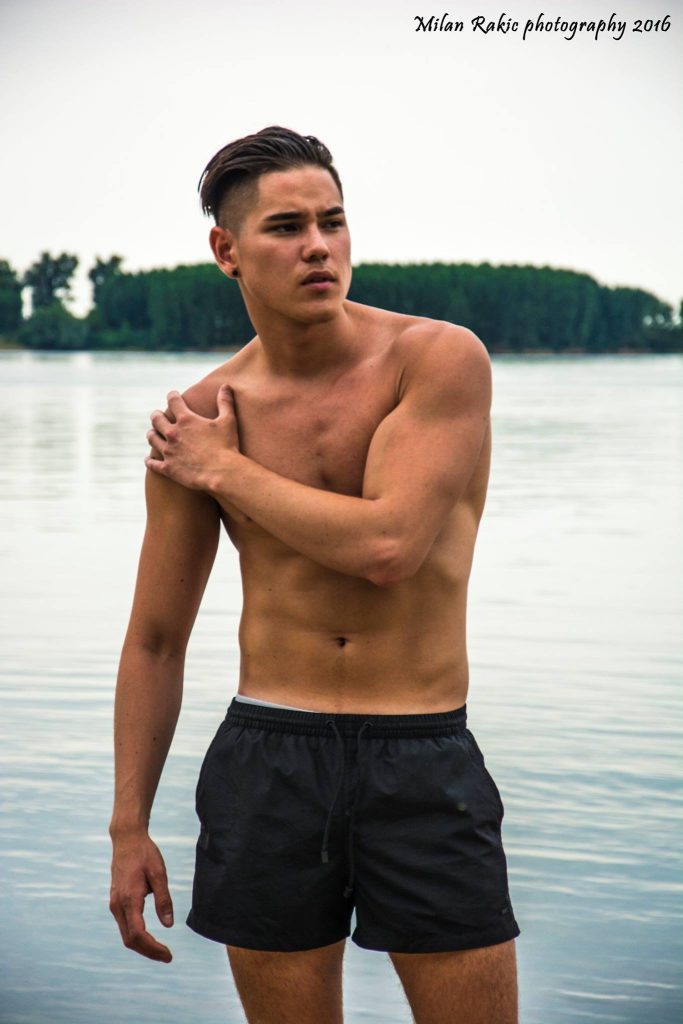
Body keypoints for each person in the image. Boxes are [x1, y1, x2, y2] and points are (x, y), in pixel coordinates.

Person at [108, 125, 521, 1024]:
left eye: (332, 221)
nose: (318, 247)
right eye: (286, 227)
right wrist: (128, 826)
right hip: (267, 759)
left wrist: (227, 471)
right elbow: (155, 640)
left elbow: (389, 547)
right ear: (227, 251)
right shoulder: (199, 420)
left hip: (420, 755)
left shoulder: (434, 359)